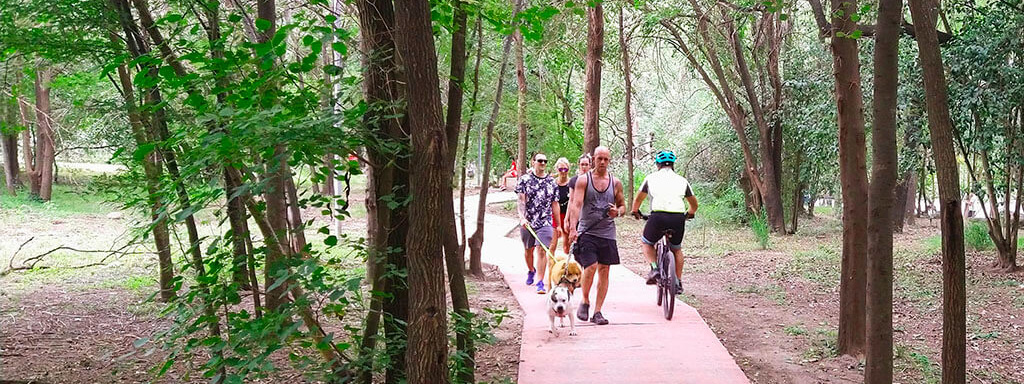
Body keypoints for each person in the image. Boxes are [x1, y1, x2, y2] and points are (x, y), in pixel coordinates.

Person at [568, 146, 626, 325]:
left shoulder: (615, 182)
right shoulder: (583, 180)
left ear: (609, 161)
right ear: (593, 159)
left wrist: (618, 212)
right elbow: (576, 204)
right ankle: (584, 300)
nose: (602, 162)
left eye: (605, 159)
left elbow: (623, 205)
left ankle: (598, 312)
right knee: (591, 266)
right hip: (588, 231)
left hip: (607, 233)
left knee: (604, 270)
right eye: (599, 158)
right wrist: (572, 228)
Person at [629, 150, 698, 295]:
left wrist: (636, 211)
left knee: (647, 243)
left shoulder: (651, 178)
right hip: (678, 218)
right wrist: (690, 213)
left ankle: (654, 269)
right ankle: (678, 282)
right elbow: (694, 204)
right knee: (676, 249)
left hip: (658, 216)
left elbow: (638, 200)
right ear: (673, 165)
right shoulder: (682, 180)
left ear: (657, 164)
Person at [516, 153, 561, 294]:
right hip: (528, 221)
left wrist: (558, 224)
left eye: (545, 161)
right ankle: (531, 270)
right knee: (528, 250)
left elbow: (555, 204)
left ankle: (540, 282)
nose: (542, 163)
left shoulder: (551, 182)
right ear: (533, 162)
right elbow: (521, 201)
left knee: (542, 250)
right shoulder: (525, 180)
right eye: (540, 160)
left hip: (545, 221)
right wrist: (522, 217)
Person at [562, 154, 591, 253]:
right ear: (579, 165)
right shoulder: (573, 181)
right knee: (570, 245)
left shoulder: (593, 181)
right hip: (576, 216)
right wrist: (567, 219)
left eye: (586, 164)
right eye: (582, 164)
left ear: (590, 166)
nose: (584, 167)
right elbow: (571, 201)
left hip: (588, 217)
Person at [550, 157, 572, 254]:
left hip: (568, 216)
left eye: (565, 169)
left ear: (568, 169)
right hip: (555, 216)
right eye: (560, 169)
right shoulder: (552, 183)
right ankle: (551, 268)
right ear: (557, 169)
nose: (563, 171)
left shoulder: (572, 183)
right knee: (552, 245)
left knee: (567, 245)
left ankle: (567, 267)